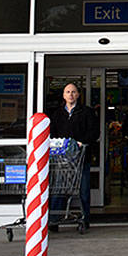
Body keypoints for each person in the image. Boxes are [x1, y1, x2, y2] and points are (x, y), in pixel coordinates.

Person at [48, 82, 95, 230]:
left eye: (73, 92)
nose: (71, 95)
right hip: (62, 159)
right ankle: (54, 219)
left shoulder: (86, 112)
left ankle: (84, 219)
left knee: (83, 190)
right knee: (59, 189)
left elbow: (94, 132)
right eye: (68, 92)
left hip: (81, 158)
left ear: (78, 95)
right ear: (63, 95)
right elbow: (53, 133)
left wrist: (82, 142)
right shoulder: (57, 114)